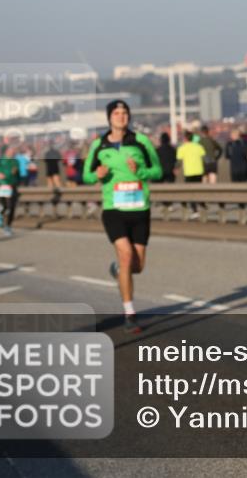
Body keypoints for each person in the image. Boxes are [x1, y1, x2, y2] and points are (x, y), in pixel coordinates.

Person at [83, 100, 162, 334]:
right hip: (113, 209)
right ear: (109, 118)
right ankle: (129, 313)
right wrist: (96, 174)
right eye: (116, 113)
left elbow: (157, 171)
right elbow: (86, 175)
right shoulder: (99, 145)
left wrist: (141, 172)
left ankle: (119, 269)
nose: (121, 116)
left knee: (137, 265)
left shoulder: (141, 141)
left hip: (139, 209)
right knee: (127, 255)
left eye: (125, 113)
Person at [175, 131, 207, 218]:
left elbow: (179, 161)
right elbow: (204, 158)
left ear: (185, 138)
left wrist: (176, 169)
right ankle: (203, 204)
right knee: (199, 190)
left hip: (189, 172)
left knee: (191, 192)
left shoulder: (182, 148)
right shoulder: (199, 147)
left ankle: (195, 210)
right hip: (199, 171)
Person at [0, 146, 21, 236]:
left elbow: (17, 173)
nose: (13, 152)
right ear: (6, 151)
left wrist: (16, 173)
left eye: (13, 150)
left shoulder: (15, 161)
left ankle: (8, 226)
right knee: (4, 205)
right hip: (2, 185)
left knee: (12, 207)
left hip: (12, 186)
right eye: (11, 150)